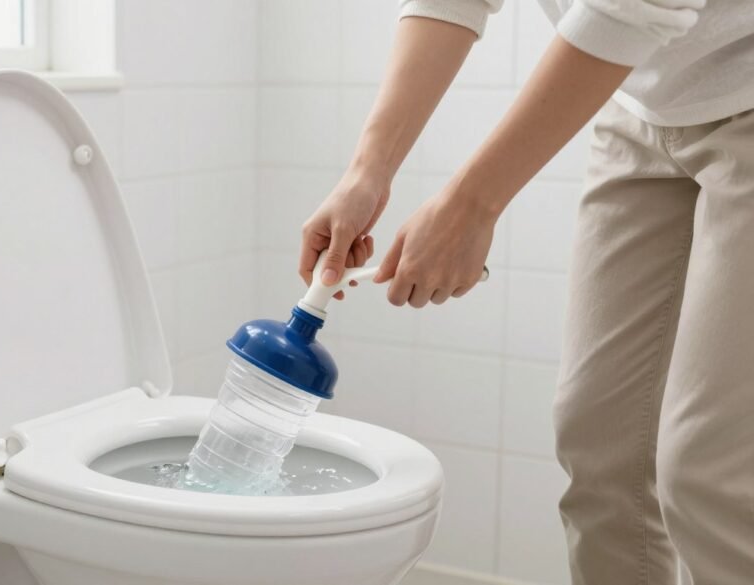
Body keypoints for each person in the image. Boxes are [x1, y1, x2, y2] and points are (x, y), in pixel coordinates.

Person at [299, 0, 754, 582]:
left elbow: (634, 7)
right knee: (601, 450)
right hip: (643, 104)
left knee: (709, 472)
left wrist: (471, 205)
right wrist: (366, 173)